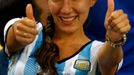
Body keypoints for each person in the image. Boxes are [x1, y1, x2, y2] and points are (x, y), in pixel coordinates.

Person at [4, 0, 131, 75]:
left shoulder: (96, 51)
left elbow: (109, 61)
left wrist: (114, 40)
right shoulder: (27, 32)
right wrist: (20, 32)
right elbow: (13, 38)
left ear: (92, 1)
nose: (66, 9)